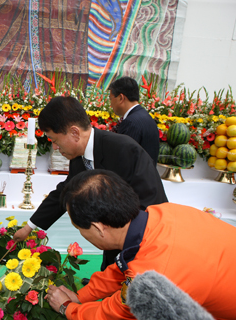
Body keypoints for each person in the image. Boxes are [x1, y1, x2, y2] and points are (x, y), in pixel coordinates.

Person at [46, 169, 236, 319]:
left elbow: (114, 314)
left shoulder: (153, 276)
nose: (80, 233)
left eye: (78, 227)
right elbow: (125, 265)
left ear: (98, 228)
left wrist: (66, 308)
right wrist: (81, 296)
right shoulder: (162, 213)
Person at [13, 96, 167, 271]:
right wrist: (29, 227)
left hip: (142, 248)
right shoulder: (79, 157)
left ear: (75, 133)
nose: (55, 148)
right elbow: (66, 192)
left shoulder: (124, 150)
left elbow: (152, 204)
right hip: (113, 247)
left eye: (55, 140)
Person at [108, 76, 159, 164]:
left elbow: (124, 160)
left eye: (111, 99)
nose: (110, 104)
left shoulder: (131, 122)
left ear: (121, 98)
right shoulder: (144, 116)